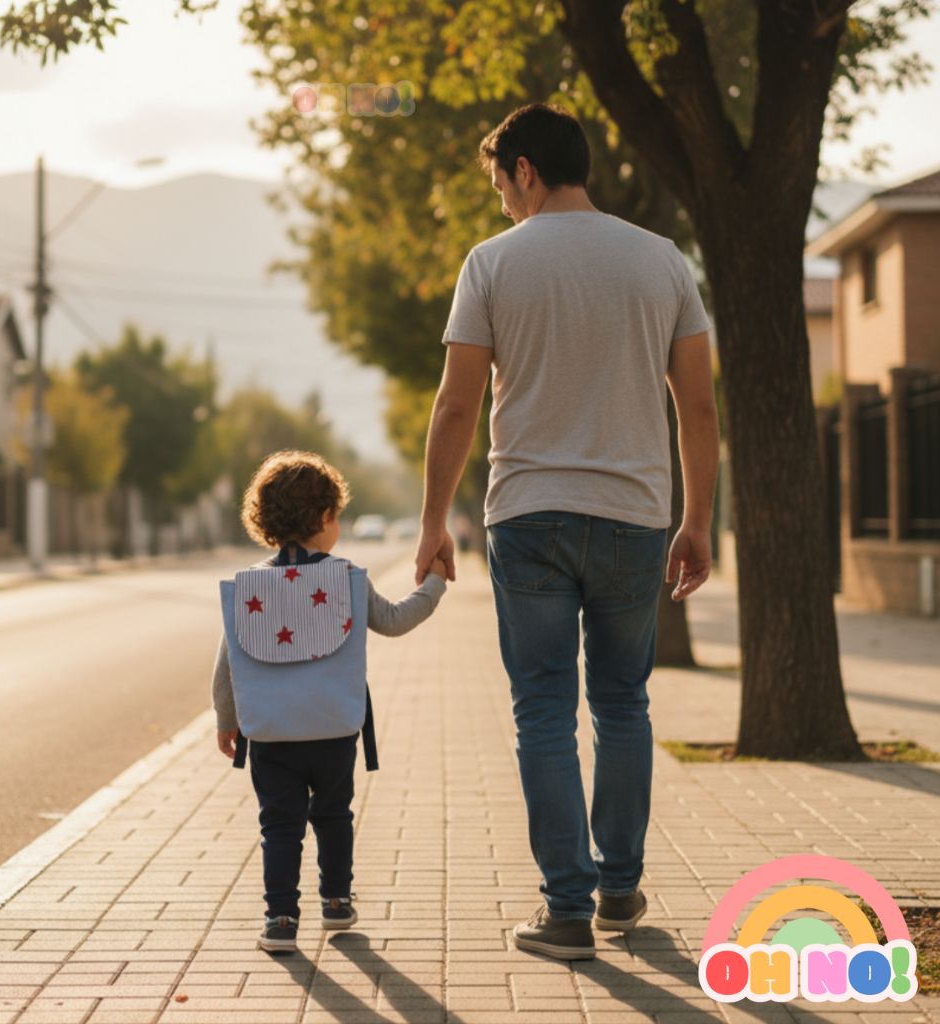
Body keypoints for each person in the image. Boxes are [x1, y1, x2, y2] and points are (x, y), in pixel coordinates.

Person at [414, 104, 720, 960]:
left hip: (530, 516)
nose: (501, 203)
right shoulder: (662, 261)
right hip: (635, 518)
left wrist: (433, 519)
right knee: (624, 702)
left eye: (500, 184)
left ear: (525, 170)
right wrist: (696, 521)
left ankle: (567, 913)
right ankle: (619, 887)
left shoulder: (492, 264)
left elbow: (457, 403)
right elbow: (696, 404)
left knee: (543, 711)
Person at [213, 450, 447, 953]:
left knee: (279, 825)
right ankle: (336, 902)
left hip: (272, 734)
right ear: (325, 518)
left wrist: (227, 719)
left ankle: (280, 919)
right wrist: (436, 583)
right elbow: (396, 621)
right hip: (336, 729)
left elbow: (226, 663)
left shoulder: (248, 586)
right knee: (335, 815)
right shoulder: (347, 579)